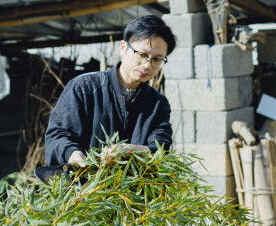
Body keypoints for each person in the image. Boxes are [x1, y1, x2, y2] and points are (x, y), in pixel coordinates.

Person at [40, 16, 176, 176]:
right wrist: (74, 155)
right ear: (123, 47)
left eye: (157, 59)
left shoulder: (157, 103)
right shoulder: (84, 87)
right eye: (141, 54)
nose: (147, 65)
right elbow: (58, 135)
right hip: (83, 188)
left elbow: (161, 146)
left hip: (133, 194)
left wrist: (135, 151)